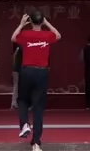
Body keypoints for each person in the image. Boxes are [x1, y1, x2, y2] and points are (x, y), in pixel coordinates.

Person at [12, 10, 59, 151]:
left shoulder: (25, 34)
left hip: (27, 71)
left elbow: (13, 38)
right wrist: (47, 23)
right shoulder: (47, 35)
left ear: (31, 21)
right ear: (42, 21)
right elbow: (58, 35)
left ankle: (24, 124)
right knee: (38, 108)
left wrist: (21, 24)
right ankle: (36, 142)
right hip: (42, 72)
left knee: (22, 101)